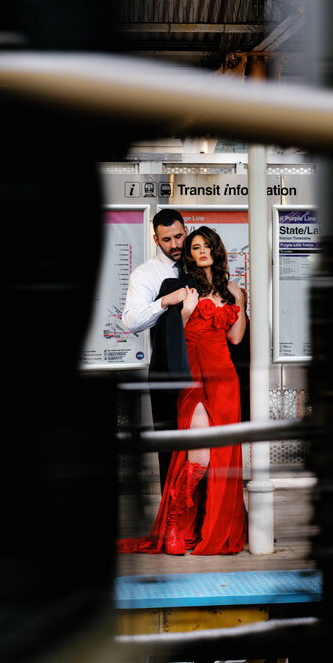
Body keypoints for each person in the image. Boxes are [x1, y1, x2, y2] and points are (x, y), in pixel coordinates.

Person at [118, 226, 247, 555]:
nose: (201, 251)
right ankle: (175, 525)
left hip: (225, 379)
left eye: (207, 246)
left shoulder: (232, 290)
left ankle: (215, 526)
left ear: (216, 251)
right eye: (195, 247)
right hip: (193, 378)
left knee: (223, 459)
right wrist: (187, 309)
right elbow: (175, 333)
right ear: (189, 255)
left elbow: (235, 339)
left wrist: (242, 303)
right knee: (199, 456)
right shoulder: (183, 287)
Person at [123, 209, 200, 489]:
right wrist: (164, 301)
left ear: (186, 230)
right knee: (171, 446)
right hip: (167, 370)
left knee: (205, 446)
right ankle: (173, 522)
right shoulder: (145, 274)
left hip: (203, 367)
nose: (175, 245)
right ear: (156, 238)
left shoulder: (201, 263)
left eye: (179, 236)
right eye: (167, 239)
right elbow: (131, 321)